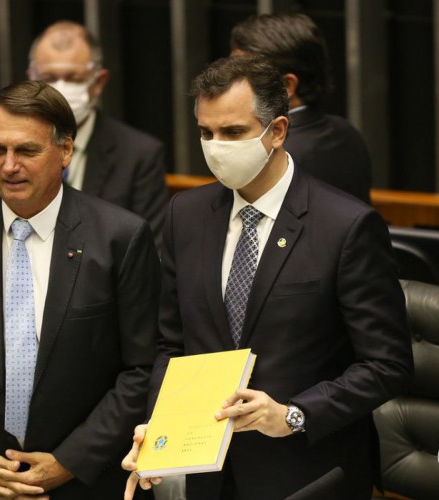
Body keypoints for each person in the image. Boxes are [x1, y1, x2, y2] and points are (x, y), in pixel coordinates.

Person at [121, 55, 413, 500]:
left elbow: (387, 365)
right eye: (206, 132)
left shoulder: (346, 226)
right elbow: (172, 345)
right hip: (210, 475)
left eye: (233, 132)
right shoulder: (186, 214)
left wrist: (295, 413)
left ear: (277, 131)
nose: (216, 146)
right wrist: (161, 429)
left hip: (306, 473)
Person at [0, 80, 161, 499]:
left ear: (65, 151)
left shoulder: (121, 237)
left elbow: (142, 369)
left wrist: (69, 462)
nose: (9, 166)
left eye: (26, 150)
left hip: (85, 481)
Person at [0, 20, 168, 252]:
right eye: (49, 77)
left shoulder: (138, 154)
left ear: (99, 82)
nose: (59, 88)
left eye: (73, 78)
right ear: (30, 78)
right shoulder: (0, 143)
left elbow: (149, 252)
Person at [230, 13, 373, 204]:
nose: (230, 83)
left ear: (287, 86)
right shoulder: (347, 133)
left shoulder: (273, 154)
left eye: (243, 74)